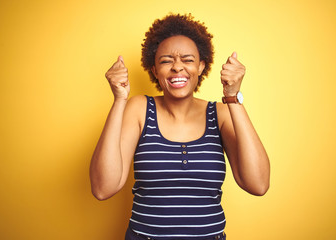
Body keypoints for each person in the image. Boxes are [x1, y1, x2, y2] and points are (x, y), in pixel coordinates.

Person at [90, 13, 270, 240]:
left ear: (202, 66)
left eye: (188, 60)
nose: (177, 67)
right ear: (155, 70)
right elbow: (103, 188)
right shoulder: (139, 109)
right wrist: (119, 100)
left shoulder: (221, 114)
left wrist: (232, 97)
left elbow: (258, 184)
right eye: (166, 61)